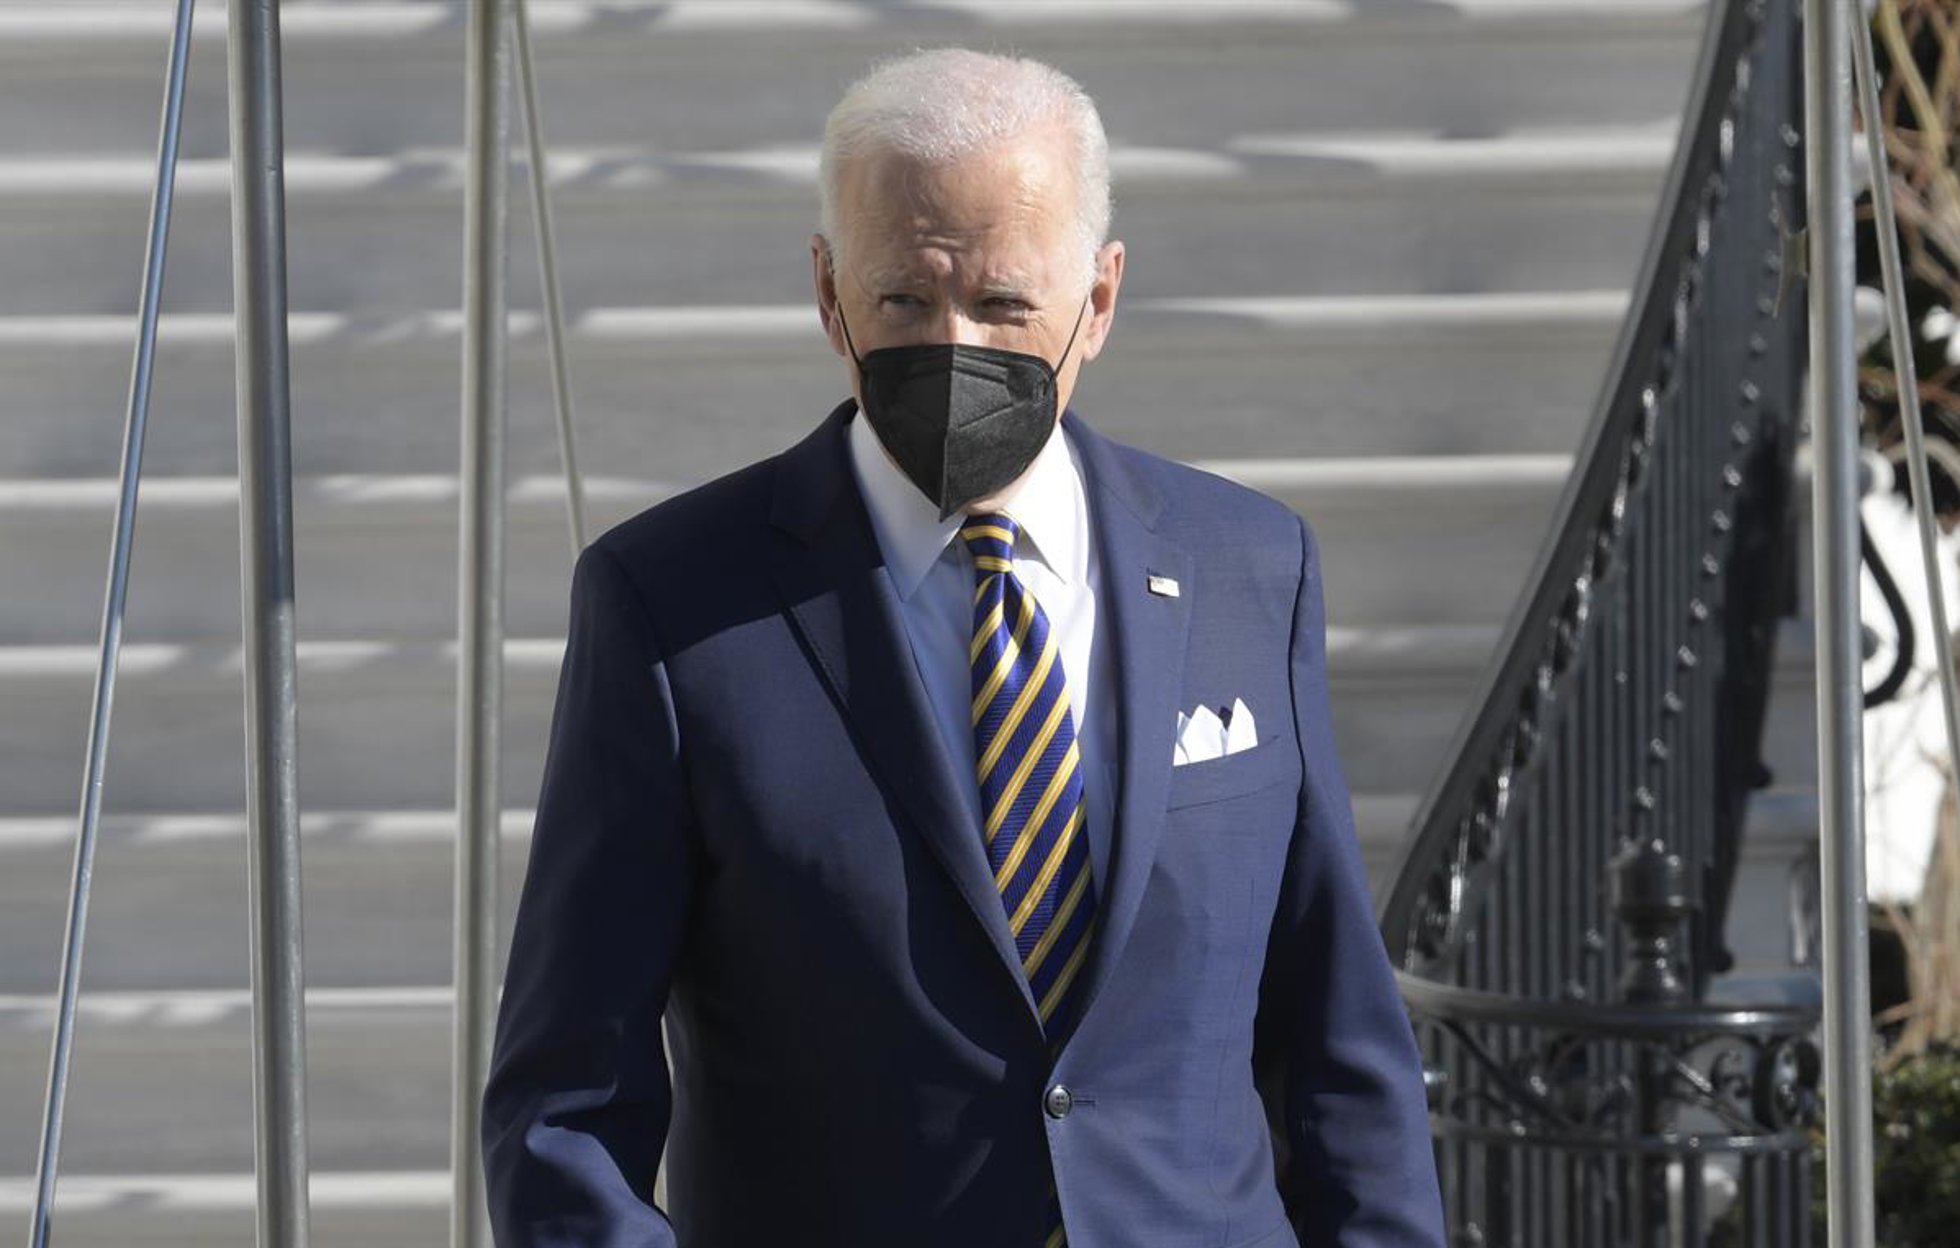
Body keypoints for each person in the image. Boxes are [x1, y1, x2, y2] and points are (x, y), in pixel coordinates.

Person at [481, 47, 1445, 1248]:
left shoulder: (1248, 565)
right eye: (903, 299)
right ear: (828, 293)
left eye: (1001, 303)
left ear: (1097, 300)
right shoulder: (672, 603)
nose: (951, 343)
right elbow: (567, 1101)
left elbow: (1338, 1039)